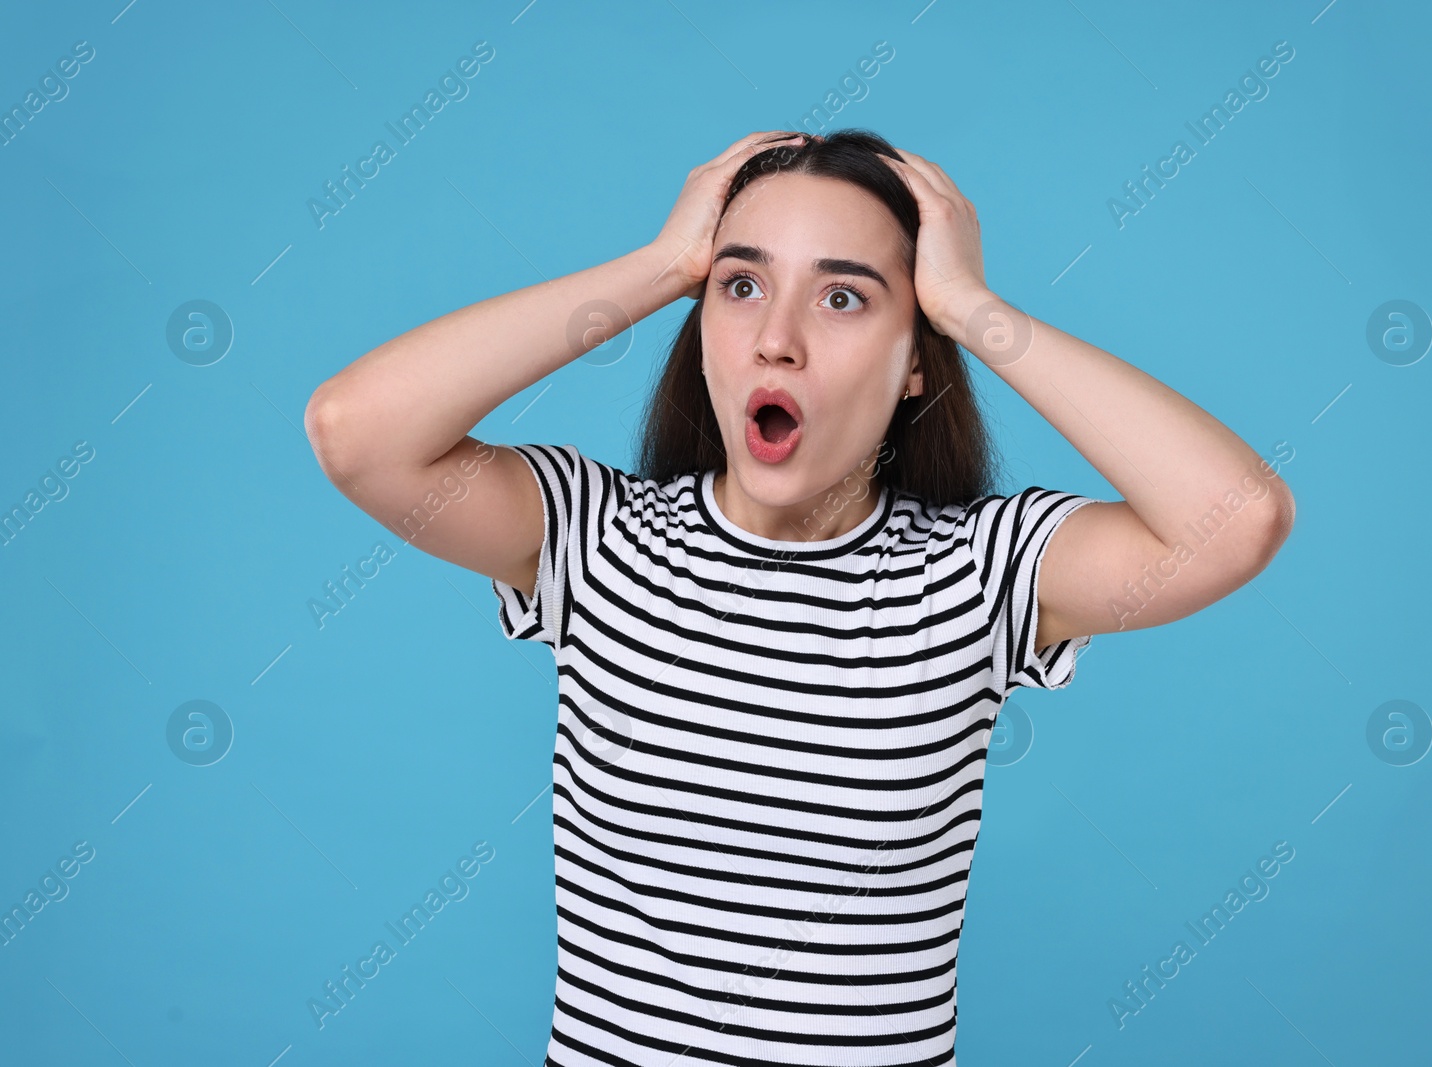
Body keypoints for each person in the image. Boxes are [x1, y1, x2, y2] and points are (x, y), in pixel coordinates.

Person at [305, 127, 1294, 1066]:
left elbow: (1236, 518)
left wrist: (968, 306)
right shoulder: (595, 540)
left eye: (844, 298)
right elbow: (356, 432)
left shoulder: (977, 576)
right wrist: (658, 265)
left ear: (916, 364)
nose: (775, 339)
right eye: (739, 285)